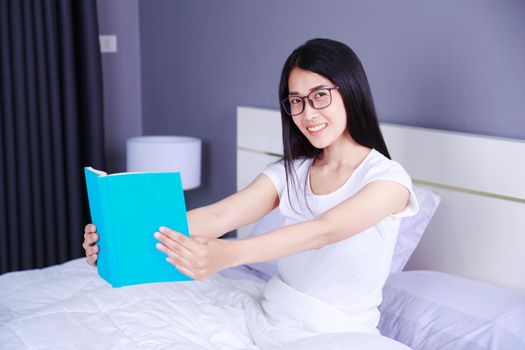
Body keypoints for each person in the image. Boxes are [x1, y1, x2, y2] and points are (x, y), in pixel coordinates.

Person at [83, 38, 417, 348]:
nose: (308, 114)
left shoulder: (389, 181)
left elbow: (323, 230)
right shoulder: (292, 172)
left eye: (320, 95)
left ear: (351, 91)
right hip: (272, 315)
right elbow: (219, 216)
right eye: (296, 101)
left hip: (339, 333)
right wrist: (119, 239)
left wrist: (227, 255)